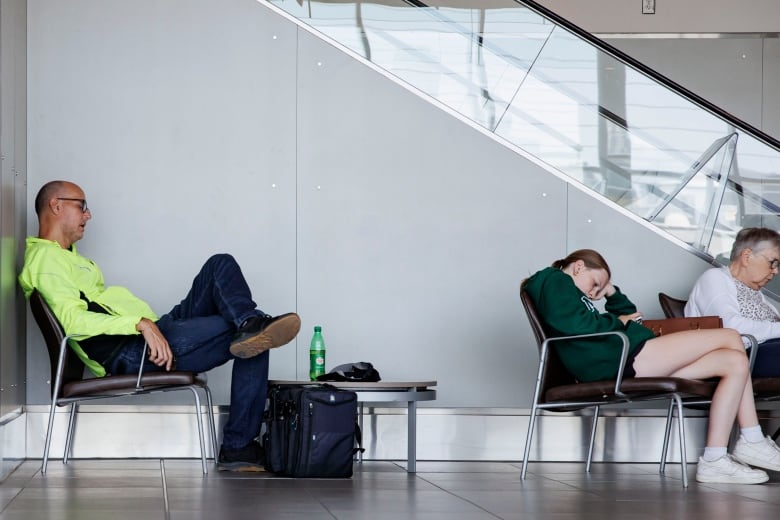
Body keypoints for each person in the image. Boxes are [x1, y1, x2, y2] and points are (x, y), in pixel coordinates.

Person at [18, 180, 302, 471]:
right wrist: (141, 324)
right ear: (56, 206)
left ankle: (248, 321)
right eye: (82, 206)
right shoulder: (47, 260)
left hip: (156, 331)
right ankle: (238, 445)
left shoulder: (68, 257)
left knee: (220, 266)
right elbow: (73, 321)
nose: (88, 215)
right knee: (259, 336)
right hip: (133, 352)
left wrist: (148, 325)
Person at [523, 248, 780, 484]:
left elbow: (631, 314)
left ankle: (714, 458)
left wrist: (611, 291)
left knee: (734, 361)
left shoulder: (572, 292)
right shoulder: (554, 280)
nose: (593, 293)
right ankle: (752, 438)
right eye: (594, 284)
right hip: (618, 360)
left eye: (598, 289)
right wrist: (620, 323)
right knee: (731, 337)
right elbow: (578, 326)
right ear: (578, 266)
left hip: (623, 357)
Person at [686, 227, 780, 377]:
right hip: (742, 355)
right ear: (747, 256)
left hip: (763, 351)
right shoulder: (715, 278)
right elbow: (730, 327)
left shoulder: (756, 293)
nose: (776, 271)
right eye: (773, 262)